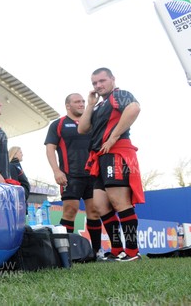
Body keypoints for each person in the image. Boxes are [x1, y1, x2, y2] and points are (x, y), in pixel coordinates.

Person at [78, 67, 144, 262]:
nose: (98, 86)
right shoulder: (99, 105)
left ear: (112, 79)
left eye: (102, 81)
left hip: (116, 152)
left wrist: (113, 137)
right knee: (100, 205)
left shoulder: (119, 94)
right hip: (100, 156)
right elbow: (82, 128)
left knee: (119, 202)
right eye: (94, 83)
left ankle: (132, 251)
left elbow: (134, 108)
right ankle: (117, 249)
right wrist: (90, 104)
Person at [44, 93, 103, 257]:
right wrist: (56, 171)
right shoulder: (58, 124)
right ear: (67, 106)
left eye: (83, 101)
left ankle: (97, 252)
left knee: (94, 211)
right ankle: (66, 253)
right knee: (70, 210)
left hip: (93, 174)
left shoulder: (91, 123)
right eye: (77, 101)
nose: (82, 104)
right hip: (70, 176)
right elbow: (50, 149)